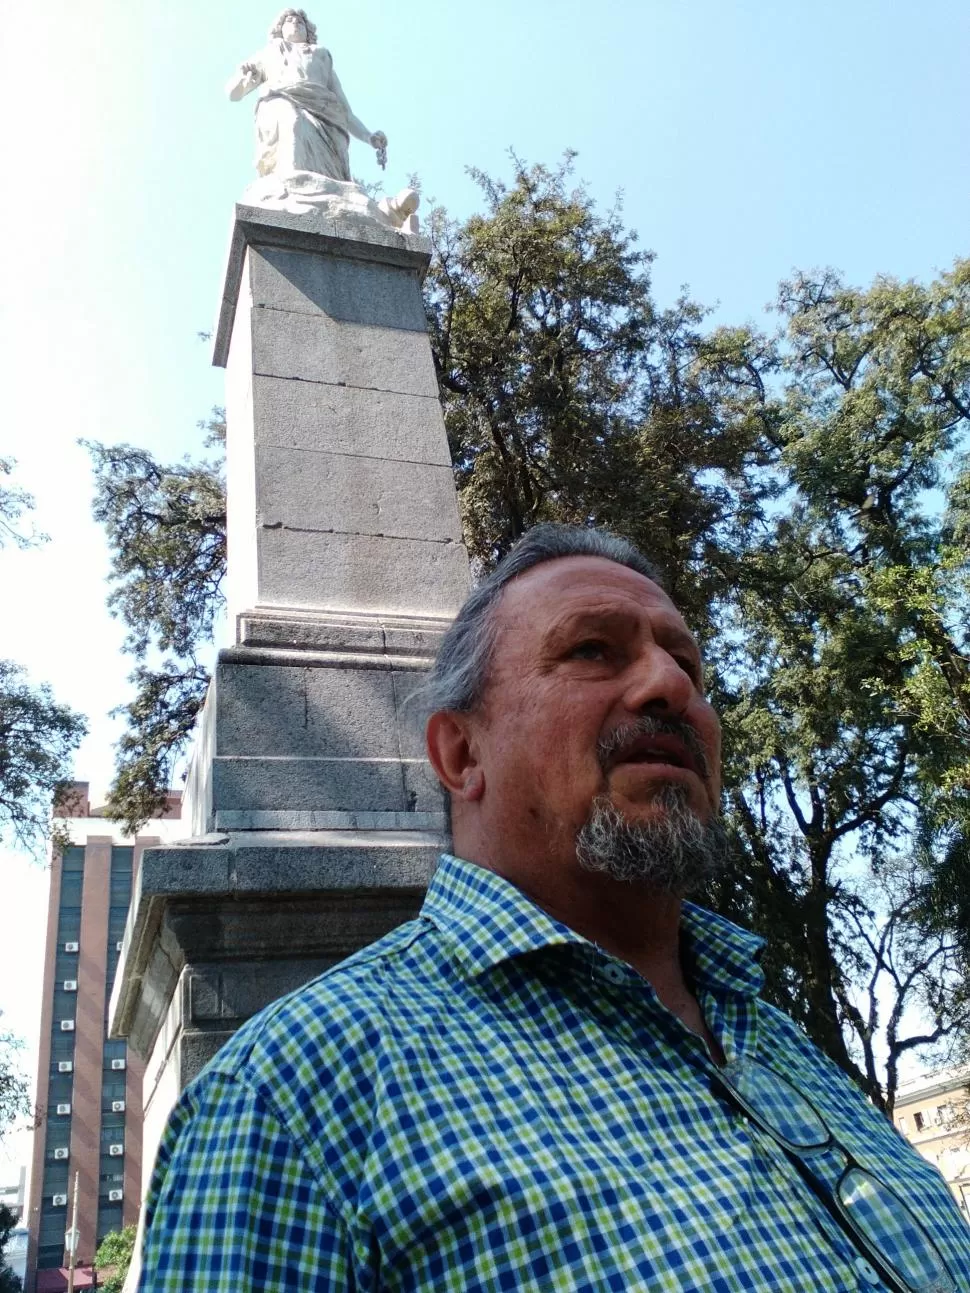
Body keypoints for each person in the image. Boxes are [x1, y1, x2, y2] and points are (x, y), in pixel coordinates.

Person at [137, 524, 970, 1290]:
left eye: (689, 664)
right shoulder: (291, 1099)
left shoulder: (784, 1044)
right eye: (594, 651)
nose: (668, 685)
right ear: (461, 752)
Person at [226, 8, 386, 183]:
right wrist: (242, 78)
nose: (295, 23)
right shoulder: (270, 53)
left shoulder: (322, 56)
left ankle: (322, 190)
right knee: (293, 120)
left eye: (300, 22)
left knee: (332, 145)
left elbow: (345, 113)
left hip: (325, 113)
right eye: (289, 21)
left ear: (308, 31)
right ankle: (292, 183)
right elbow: (234, 94)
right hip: (281, 100)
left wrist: (368, 137)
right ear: (280, 29)